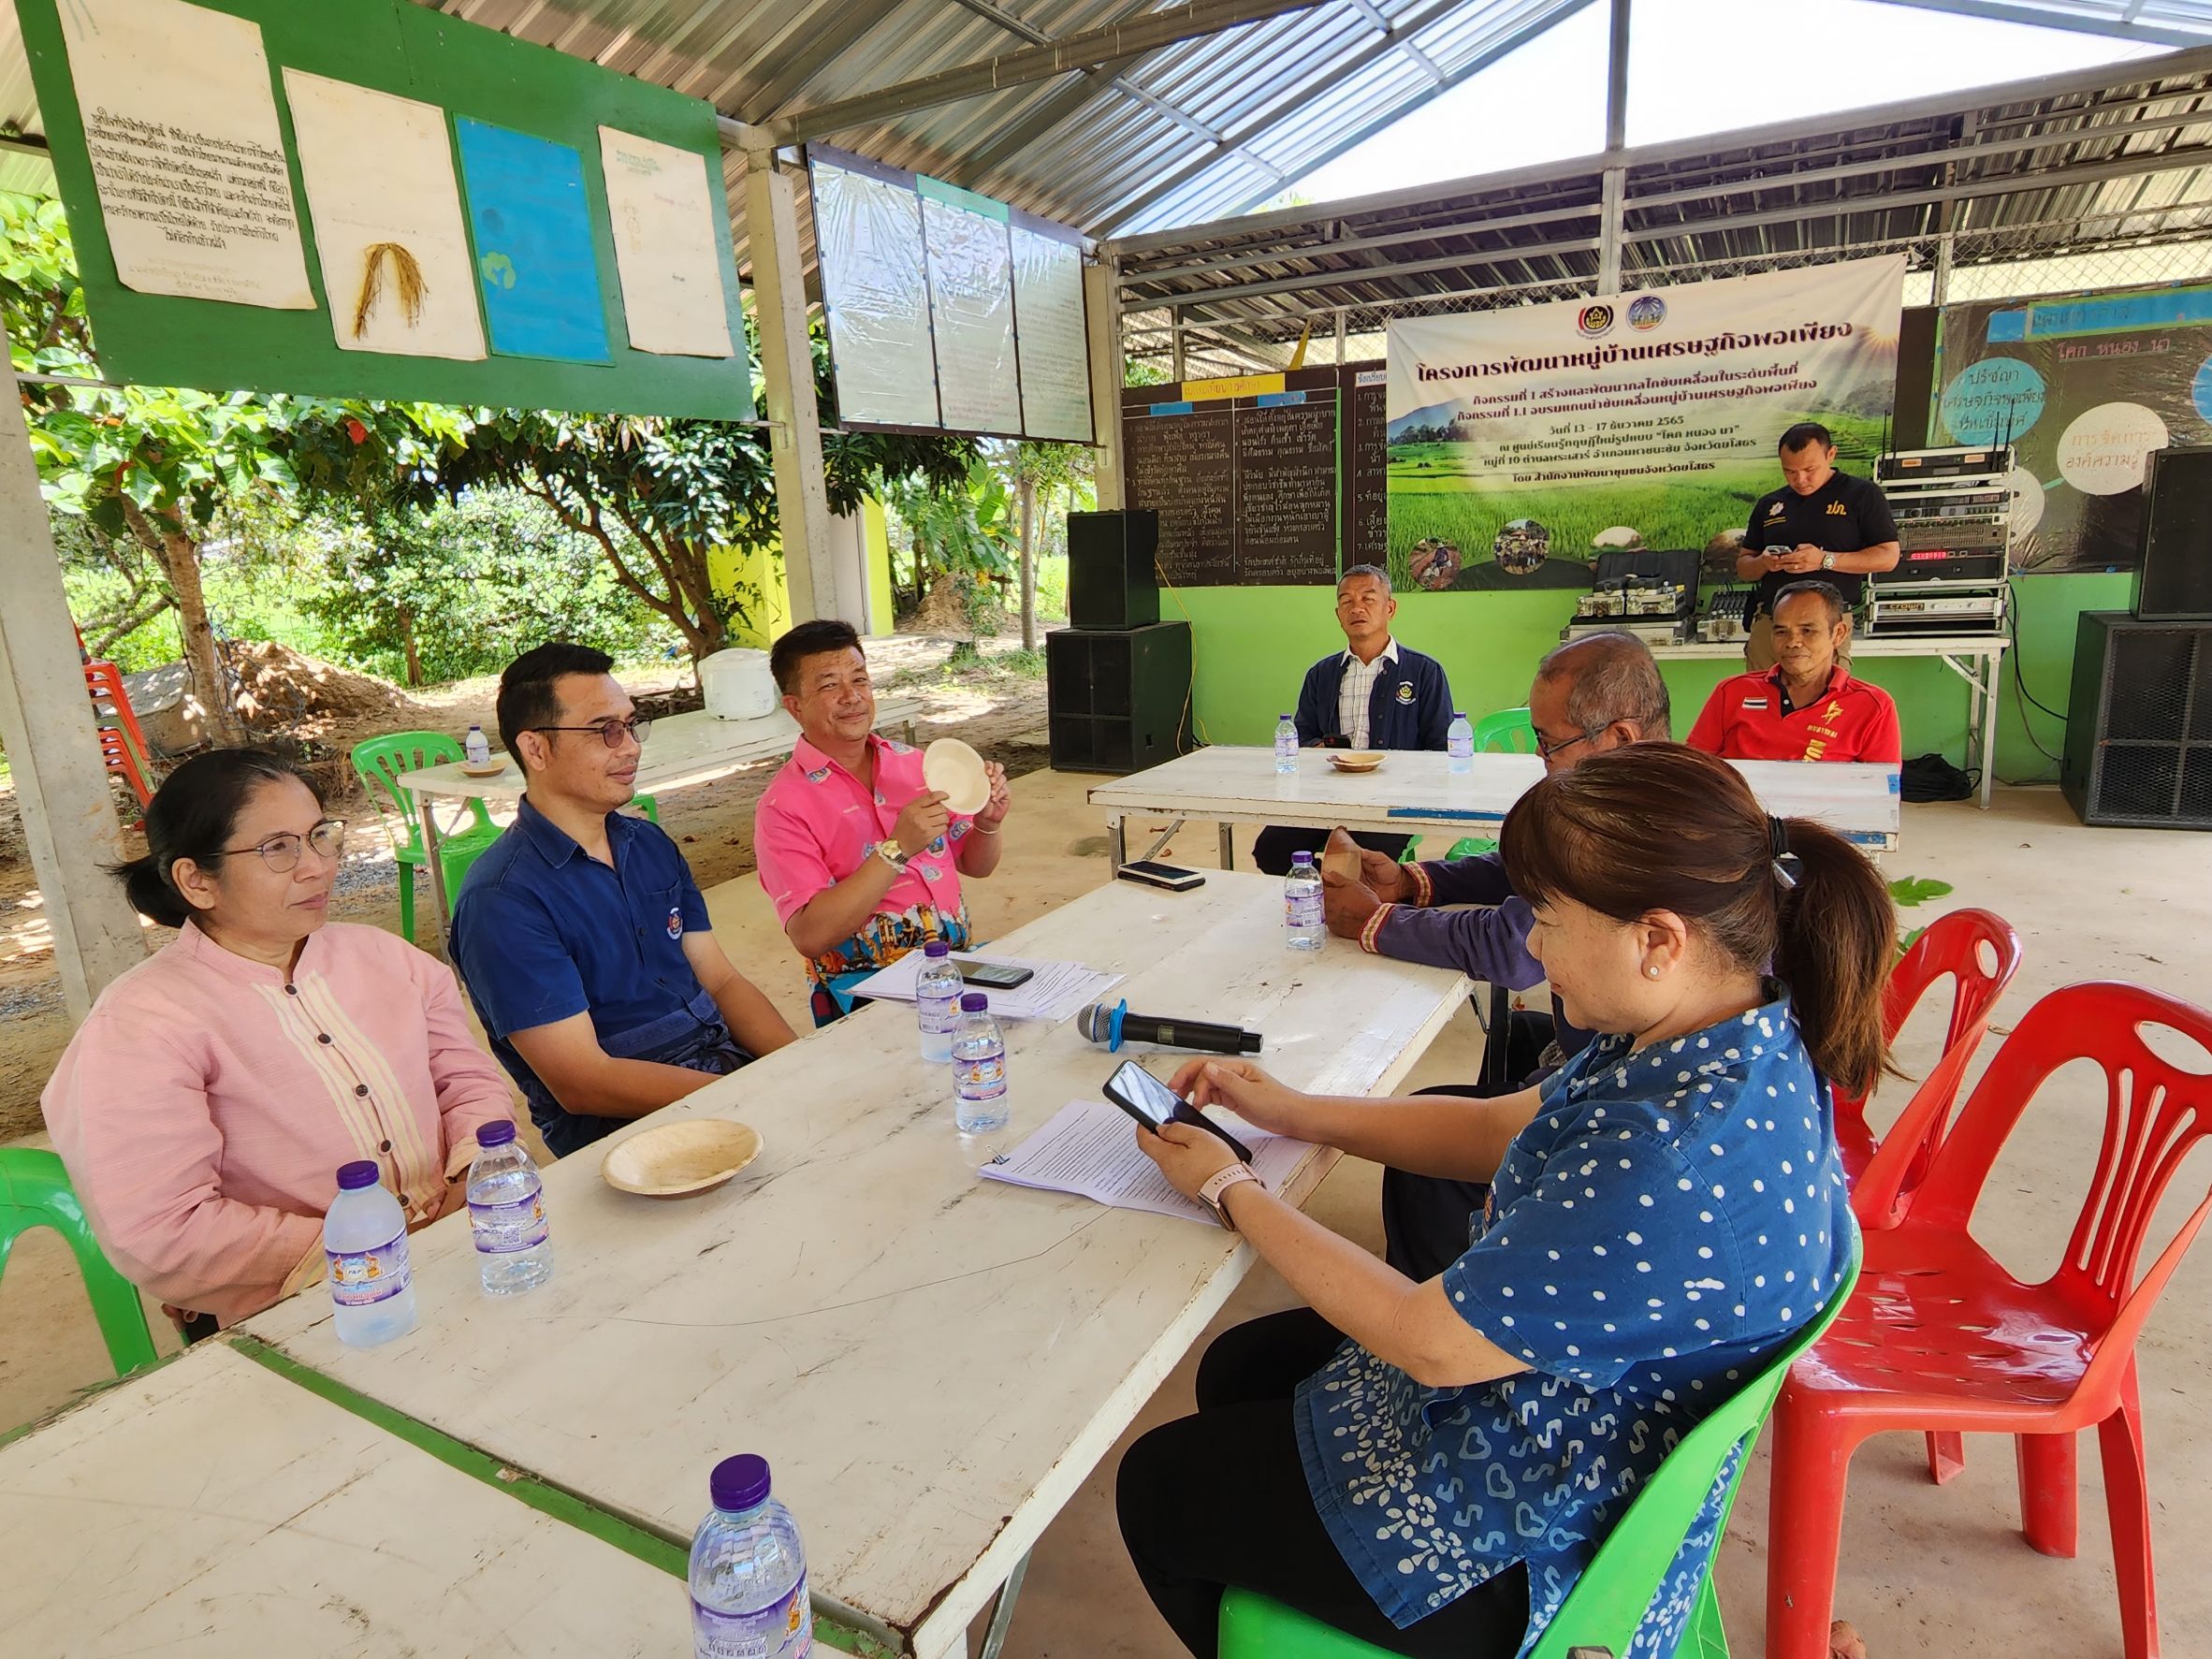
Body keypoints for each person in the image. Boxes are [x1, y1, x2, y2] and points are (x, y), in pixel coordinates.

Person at [1115, 742, 1885, 1659]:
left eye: (1549, 920)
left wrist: (1229, 1186)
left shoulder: (1665, 1153)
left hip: (1547, 1530)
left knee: (1158, 1485)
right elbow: (1500, 1128)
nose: (1529, 945)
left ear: (1658, 940)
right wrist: (1291, 1109)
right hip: (1589, 1411)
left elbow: (1429, 1345)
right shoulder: (1720, 1022)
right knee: (1242, 1367)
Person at [42, 749, 517, 1333]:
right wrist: (367, 1245)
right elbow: (161, 1227)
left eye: (320, 836)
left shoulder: (389, 960)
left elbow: (466, 1080)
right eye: (278, 849)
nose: (317, 866)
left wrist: (473, 1171)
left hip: (461, 1241)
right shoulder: (141, 1025)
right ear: (197, 880)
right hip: (305, 1309)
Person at [1318, 630, 1670, 1278]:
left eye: (1549, 742)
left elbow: (1511, 946)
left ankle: (1449, 1293)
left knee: (1423, 1148)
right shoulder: (1645, 791)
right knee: (1500, 1054)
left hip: (1610, 1084)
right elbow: (1521, 869)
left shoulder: (1631, 833)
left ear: (1618, 738)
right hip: (1606, 1066)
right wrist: (1416, 882)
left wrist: (1377, 924)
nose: (1539, 758)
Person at [450, 644, 795, 1159]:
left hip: (724, 1074)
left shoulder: (648, 844)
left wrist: (797, 1065)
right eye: (604, 731)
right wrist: (741, 1098)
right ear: (536, 750)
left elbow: (721, 980)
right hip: (625, 1133)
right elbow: (584, 1081)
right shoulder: (502, 901)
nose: (630, 747)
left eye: (632, 726)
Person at [754, 619, 1012, 1026]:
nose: (852, 696)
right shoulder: (783, 807)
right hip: (865, 992)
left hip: (958, 968)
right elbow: (809, 935)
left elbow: (977, 866)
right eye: (829, 686)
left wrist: (988, 823)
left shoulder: (917, 765)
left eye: (860, 679)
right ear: (795, 706)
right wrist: (896, 850)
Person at [1252, 565, 1453, 877]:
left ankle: (1347, 897)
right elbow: (1302, 735)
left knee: (1361, 862)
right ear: (1338, 614)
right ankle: (1326, 893)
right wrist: (1318, 748)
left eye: (1368, 598)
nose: (1356, 607)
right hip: (1325, 795)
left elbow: (1441, 747)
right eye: (1346, 601)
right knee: (1271, 850)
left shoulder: (1425, 672)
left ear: (1390, 608)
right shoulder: (1321, 674)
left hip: (1389, 801)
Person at [1733, 422, 1899, 672]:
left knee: (1823, 706)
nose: (1800, 480)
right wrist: (1763, 563)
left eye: (1810, 469)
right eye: (1789, 471)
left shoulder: (1861, 494)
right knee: (1762, 703)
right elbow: (1744, 567)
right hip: (1772, 623)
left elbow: (1888, 557)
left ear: (1831, 454)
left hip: (1825, 626)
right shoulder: (1770, 503)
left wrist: (1824, 560)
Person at [1687, 582, 1902, 764]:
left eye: (1807, 631)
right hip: (1741, 812)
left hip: (1821, 814)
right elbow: (1696, 767)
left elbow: (1880, 792)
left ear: (1838, 634)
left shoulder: (1873, 706)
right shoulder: (1732, 691)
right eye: (1782, 631)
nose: (1793, 642)